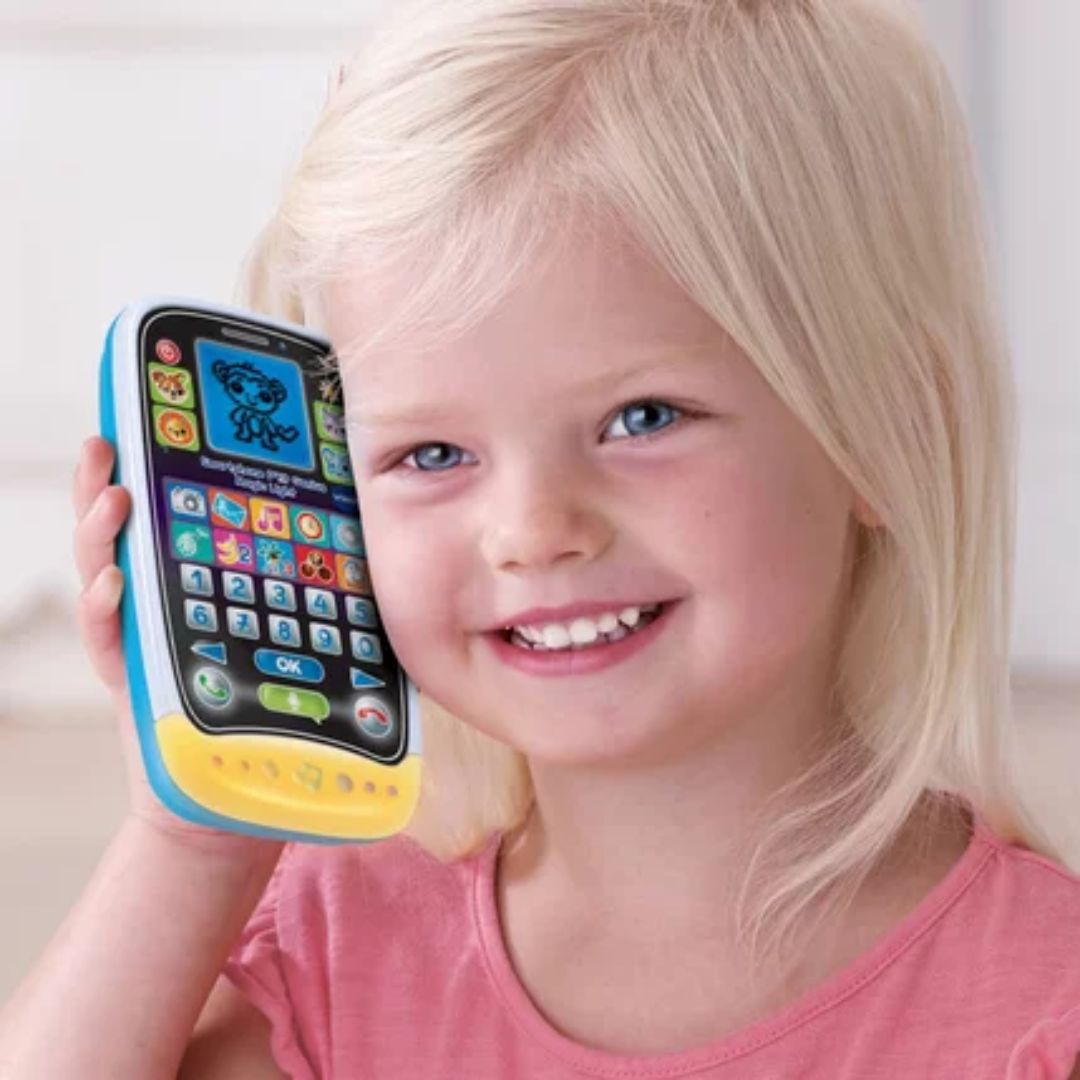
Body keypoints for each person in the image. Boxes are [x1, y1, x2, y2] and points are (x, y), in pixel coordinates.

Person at [3, 0, 1080, 1075]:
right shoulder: (340, 944)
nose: (530, 532)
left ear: (884, 429)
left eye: (642, 419)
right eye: (430, 454)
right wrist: (195, 844)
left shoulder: (1044, 1002)